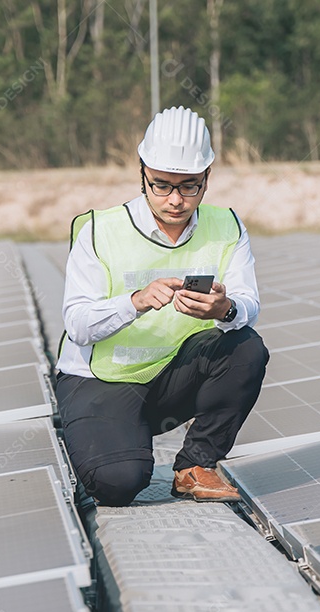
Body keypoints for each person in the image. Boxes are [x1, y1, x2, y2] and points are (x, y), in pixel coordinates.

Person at [55, 106, 269, 507]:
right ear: (142, 174)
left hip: (171, 380)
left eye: (189, 186)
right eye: (161, 185)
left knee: (246, 346)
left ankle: (195, 466)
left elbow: (248, 303)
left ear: (207, 179)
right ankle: (98, 439)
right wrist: (133, 302)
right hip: (102, 381)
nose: (175, 200)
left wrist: (224, 309)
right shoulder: (99, 230)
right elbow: (78, 324)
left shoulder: (227, 225)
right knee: (118, 484)